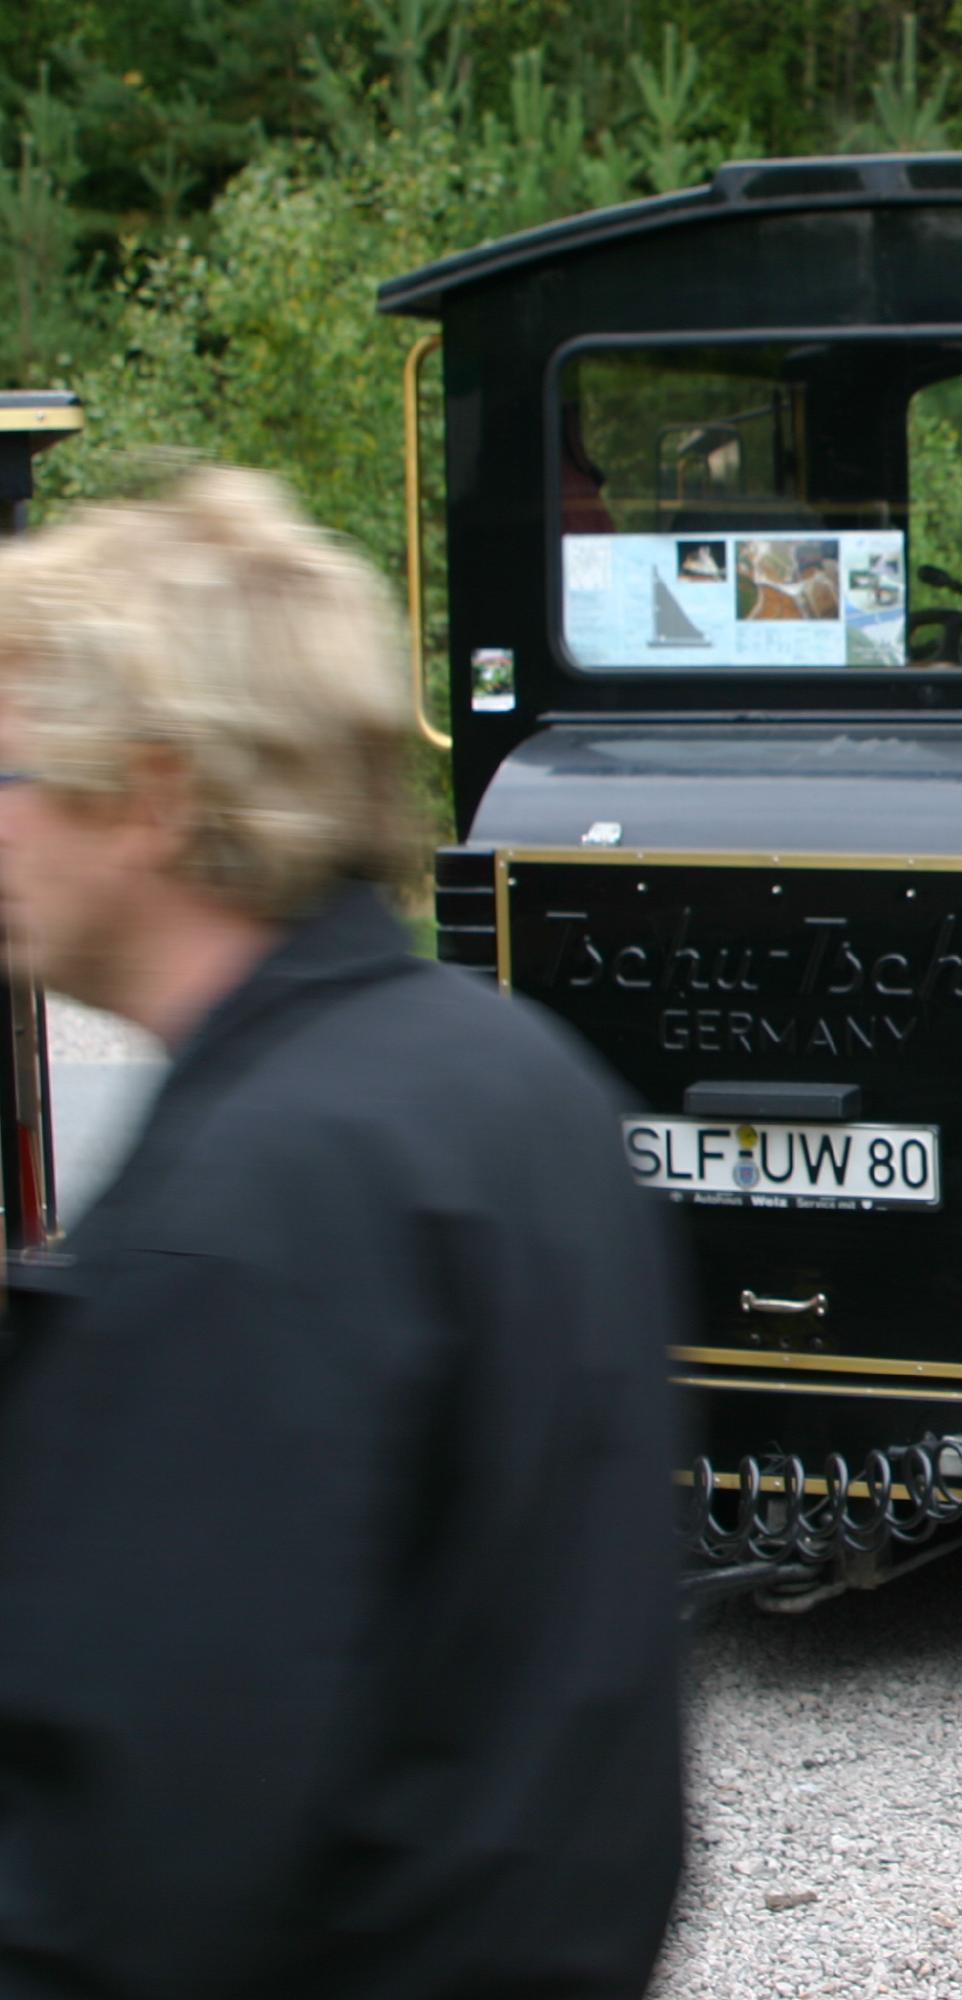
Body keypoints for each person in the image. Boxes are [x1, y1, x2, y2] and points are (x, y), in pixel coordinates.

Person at [0, 468, 687, 1993]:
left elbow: (142, 1858)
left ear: (155, 793)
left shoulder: (236, 1217)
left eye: (14, 772)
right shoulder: (515, 1076)